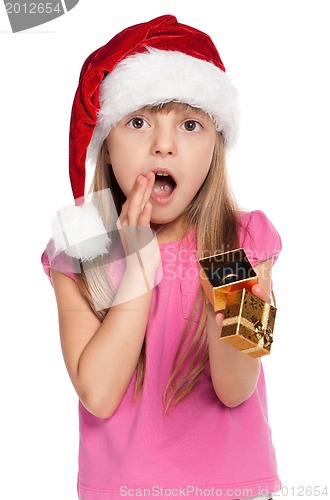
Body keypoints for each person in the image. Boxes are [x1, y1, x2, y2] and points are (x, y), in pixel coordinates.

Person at [41, 14, 282, 500]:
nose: (164, 144)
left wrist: (235, 316)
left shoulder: (236, 240)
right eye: (138, 122)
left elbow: (235, 388)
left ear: (215, 145)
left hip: (232, 489)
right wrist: (139, 269)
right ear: (106, 145)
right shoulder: (82, 246)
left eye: (190, 124)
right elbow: (99, 393)